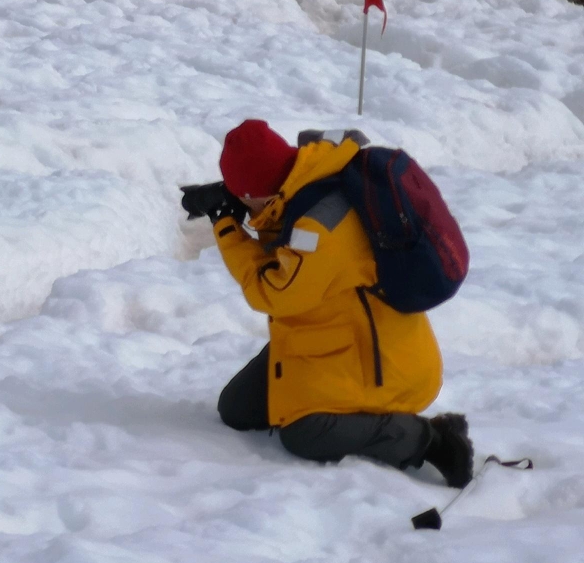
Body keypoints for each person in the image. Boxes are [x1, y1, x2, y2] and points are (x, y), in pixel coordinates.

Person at [189, 120, 474, 487]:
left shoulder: (319, 228)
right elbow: (288, 251)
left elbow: (274, 291)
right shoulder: (309, 183)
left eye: (244, 197)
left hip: (377, 360)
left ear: (256, 192)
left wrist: (225, 224)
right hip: (329, 338)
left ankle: (431, 440)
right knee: (237, 409)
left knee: (304, 433)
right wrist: (243, 205)